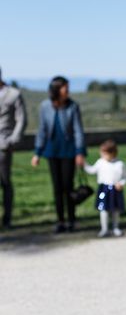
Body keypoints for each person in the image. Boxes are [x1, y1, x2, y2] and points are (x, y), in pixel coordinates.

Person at [32, 76, 86, 233]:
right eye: (65, 88)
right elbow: (42, 130)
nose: (68, 91)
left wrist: (80, 152)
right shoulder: (45, 107)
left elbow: (78, 131)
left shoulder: (73, 107)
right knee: (57, 188)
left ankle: (71, 220)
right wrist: (37, 152)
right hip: (52, 151)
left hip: (69, 152)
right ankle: (60, 220)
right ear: (57, 90)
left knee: (68, 187)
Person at [0, 66, 27, 230]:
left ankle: (7, 218)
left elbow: (21, 119)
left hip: (3, 145)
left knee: (5, 182)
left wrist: (12, 140)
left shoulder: (14, 94)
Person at [84, 139, 126, 237]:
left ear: (113, 153)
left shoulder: (120, 164)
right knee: (103, 208)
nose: (102, 155)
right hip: (103, 190)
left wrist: (121, 183)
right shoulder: (100, 162)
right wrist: (84, 164)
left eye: (105, 153)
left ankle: (116, 227)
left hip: (115, 190)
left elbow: (125, 177)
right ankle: (104, 229)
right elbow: (91, 170)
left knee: (115, 210)